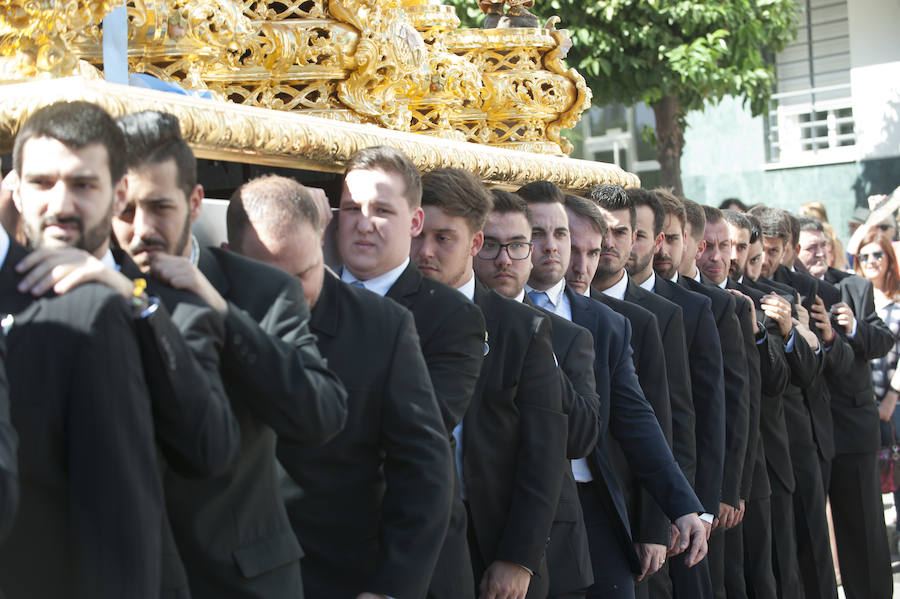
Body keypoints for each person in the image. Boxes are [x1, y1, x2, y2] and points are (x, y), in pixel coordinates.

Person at [111, 110, 348, 598]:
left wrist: (222, 311)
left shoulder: (262, 291)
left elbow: (319, 413)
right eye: (125, 212)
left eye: (160, 208)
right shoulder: (86, 285)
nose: (140, 230)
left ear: (195, 202)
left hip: (240, 578)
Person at [225, 174, 453, 599]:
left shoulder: (381, 328)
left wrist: (392, 588)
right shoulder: (203, 311)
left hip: (341, 578)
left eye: (303, 274)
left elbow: (425, 470)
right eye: (269, 280)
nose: (289, 296)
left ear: (321, 246)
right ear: (228, 259)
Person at [1, 104, 165, 599]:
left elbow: (118, 519)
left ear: (117, 194)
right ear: (15, 188)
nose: (59, 204)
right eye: (41, 183)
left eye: (81, 184)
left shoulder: (91, 310)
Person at [516, 181, 707, 599]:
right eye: (537, 234)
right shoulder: (499, 311)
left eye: (562, 235)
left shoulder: (607, 323)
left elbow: (640, 418)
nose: (555, 248)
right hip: (522, 509)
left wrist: (682, 505)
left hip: (595, 506)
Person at [336, 148, 486, 599]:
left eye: (382, 210)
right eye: (351, 209)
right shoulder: (302, 294)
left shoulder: (452, 317)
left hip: (409, 565)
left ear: (414, 221)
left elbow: (424, 432)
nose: (364, 223)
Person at [413, 169, 568, 599]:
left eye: (443, 238)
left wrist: (518, 558)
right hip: (415, 542)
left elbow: (544, 453)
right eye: (418, 235)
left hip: (497, 545)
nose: (426, 252)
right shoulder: (388, 317)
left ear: (473, 243)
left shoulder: (522, 328)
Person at [590, 184, 718, 599]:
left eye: (621, 232)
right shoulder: (561, 308)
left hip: (641, 500)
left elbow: (670, 419)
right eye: (599, 231)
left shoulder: (654, 319)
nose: (608, 243)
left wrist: (660, 518)